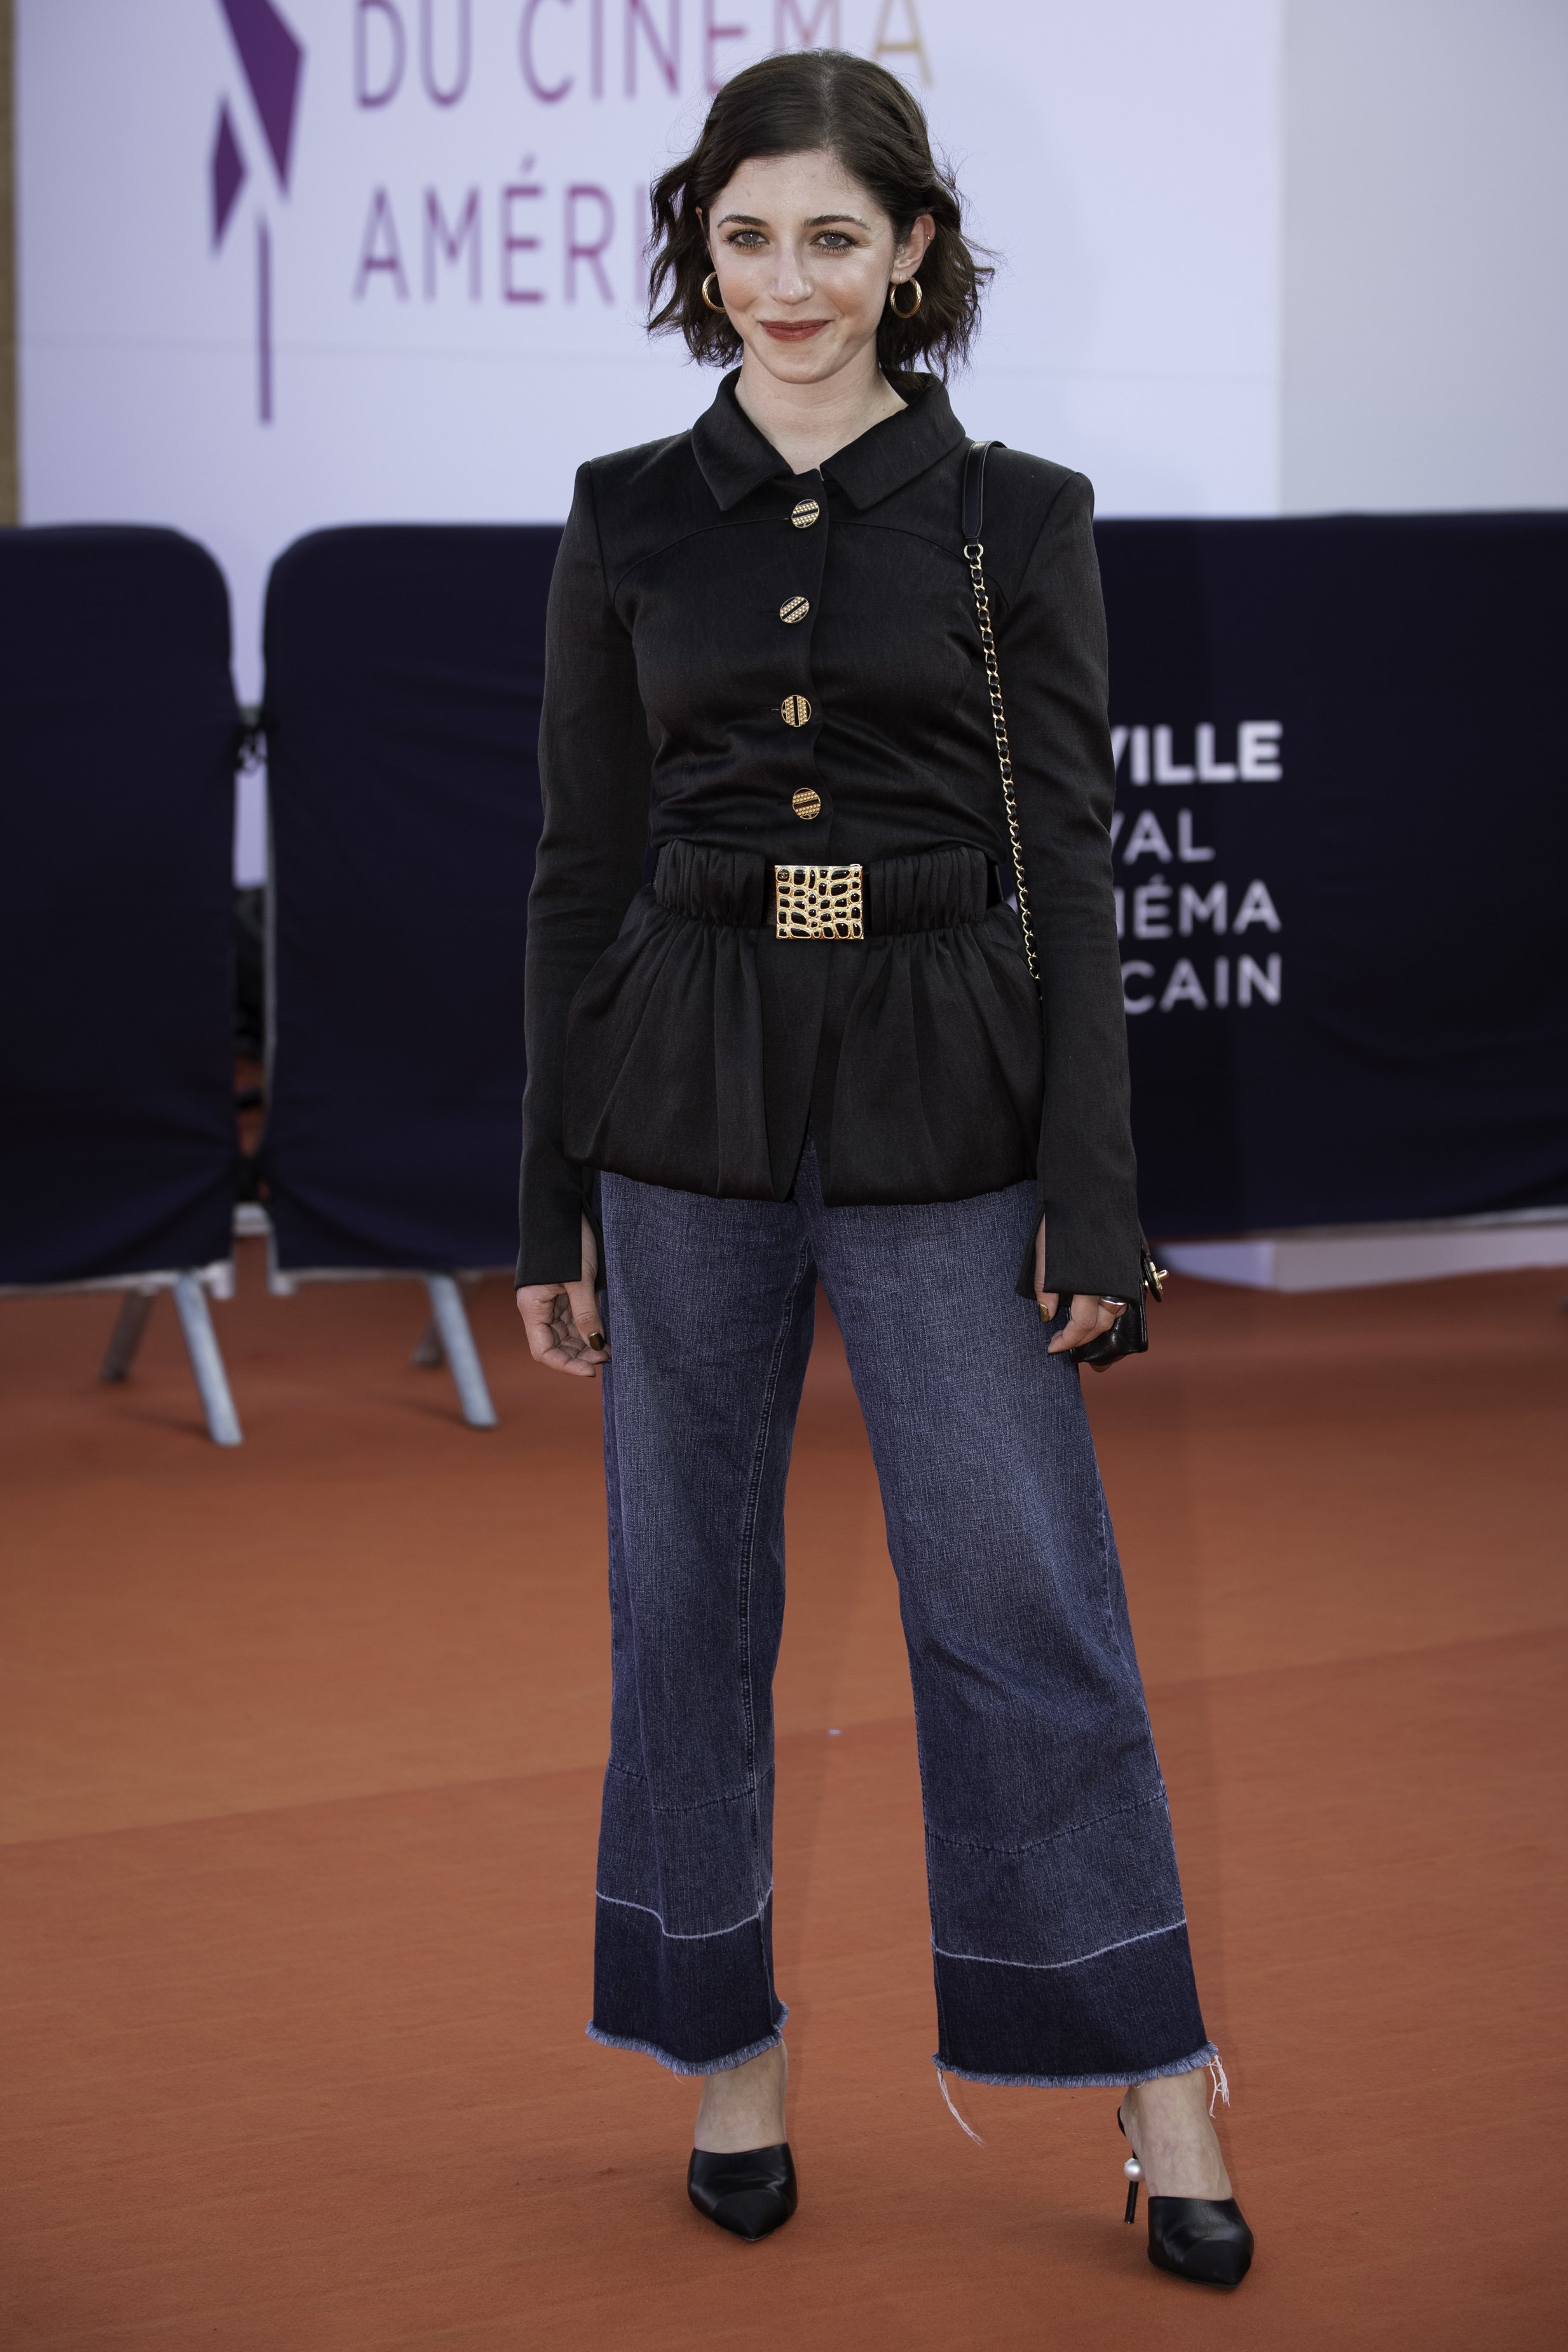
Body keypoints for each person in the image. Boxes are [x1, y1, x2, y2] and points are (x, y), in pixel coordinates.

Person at [515, 47, 1253, 2290]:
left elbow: (1067, 861)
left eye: (833, 234)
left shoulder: (1017, 512)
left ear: (913, 250)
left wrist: (1094, 1199)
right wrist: (545, 1193)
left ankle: (1161, 2083)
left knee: (1023, 1601)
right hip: (681, 1107)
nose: (786, 281)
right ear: (698, 249)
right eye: (745, 236)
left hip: (950, 1101)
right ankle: (721, 2045)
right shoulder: (627, 509)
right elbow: (579, 865)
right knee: (687, 1602)